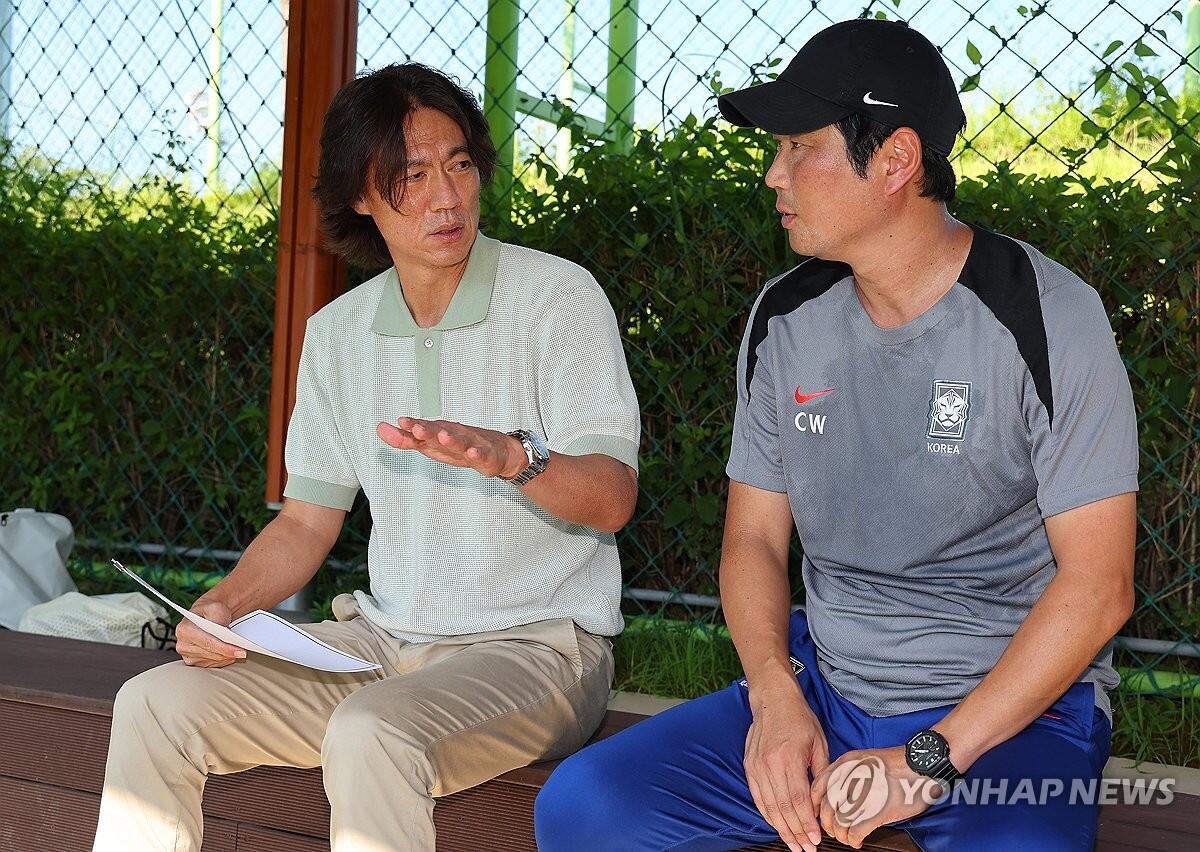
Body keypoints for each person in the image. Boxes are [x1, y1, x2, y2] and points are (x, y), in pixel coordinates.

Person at [535, 18, 1136, 852]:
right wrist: (776, 698)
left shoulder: (1045, 314)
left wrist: (928, 758)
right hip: (827, 687)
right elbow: (751, 541)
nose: (775, 174)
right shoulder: (785, 318)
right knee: (583, 810)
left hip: (1012, 712)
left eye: (798, 147)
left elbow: (1099, 587)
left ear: (895, 160)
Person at [92, 62, 641, 852]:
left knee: (371, 733)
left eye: (458, 163)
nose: (447, 196)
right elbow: (307, 522)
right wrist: (221, 606)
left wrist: (513, 458)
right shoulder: (339, 333)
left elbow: (613, 497)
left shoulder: (558, 298)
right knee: (155, 704)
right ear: (360, 194)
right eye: (410, 177)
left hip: (539, 650)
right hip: (383, 647)